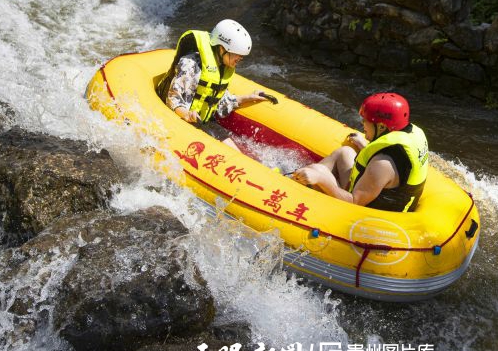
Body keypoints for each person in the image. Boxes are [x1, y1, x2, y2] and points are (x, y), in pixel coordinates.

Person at [292, 93, 429, 212]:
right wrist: (365, 147)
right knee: (345, 153)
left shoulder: (383, 164)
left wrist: (322, 179)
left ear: (381, 126)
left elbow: (354, 203)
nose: (362, 124)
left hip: (366, 212)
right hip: (373, 190)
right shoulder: (408, 134)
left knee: (318, 170)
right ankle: (299, 180)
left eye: (366, 121)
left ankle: (292, 190)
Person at [156, 19, 269, 148]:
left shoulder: (222, 69)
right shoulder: (191, 63)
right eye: (237, 54)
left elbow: (219, 102)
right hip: (182, 120)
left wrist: (248, 97)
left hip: (204, 120)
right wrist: (187, 114)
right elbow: (173, 99)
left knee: (234, 150)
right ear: (222, 49)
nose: (240, 58)